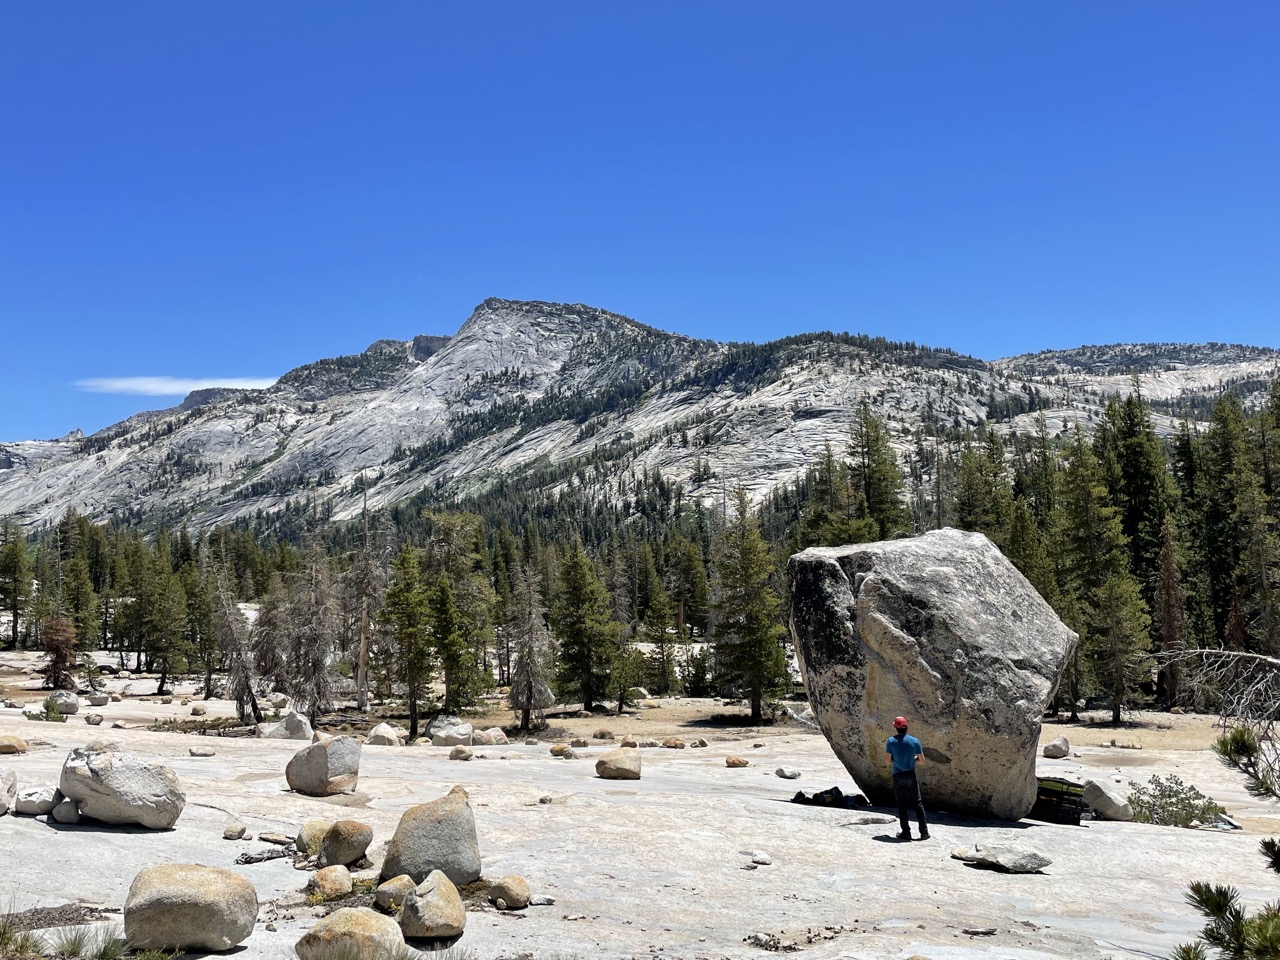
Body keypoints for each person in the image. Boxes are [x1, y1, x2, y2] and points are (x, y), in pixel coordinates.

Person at [885, 715, 929, 840]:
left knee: (902, 805)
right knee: (918, 804)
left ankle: (906, 832)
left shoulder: (891, 741)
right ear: (906, 727)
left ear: (895, 728)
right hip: (910, 775)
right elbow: (922, 761)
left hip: (898, 776)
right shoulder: (915, 741)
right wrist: (911, 761)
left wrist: (898, 761)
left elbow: (888, 761)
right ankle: (924, 832)